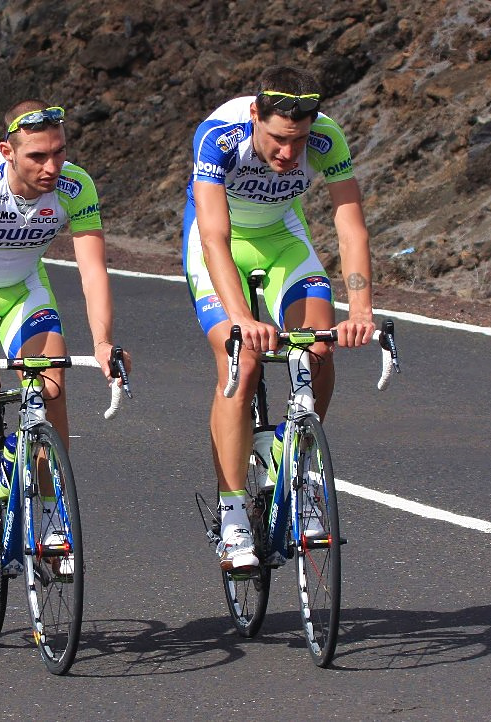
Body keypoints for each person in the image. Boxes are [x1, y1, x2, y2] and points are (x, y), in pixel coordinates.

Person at [183, 66, 376, 570]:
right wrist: (244, 318)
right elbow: (213, 240)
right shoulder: (219, 137)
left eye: (300, 141)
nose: (289, 154)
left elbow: (349, 226)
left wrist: (360, 309)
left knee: (317, 347)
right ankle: (231, 514)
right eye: (277, 139)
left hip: (281, 237)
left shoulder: (326, 139)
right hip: (219, 243)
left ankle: (301, 466)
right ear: (255, 116)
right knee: (242, 364)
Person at [0, 100, 127, 565]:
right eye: (38, 156)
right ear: (8, 152)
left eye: (58, 152)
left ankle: (52, 511)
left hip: (24, 289)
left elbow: (93, 271)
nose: (52, 166)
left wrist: (102, 342)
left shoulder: (76, 187)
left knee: (51, 385)